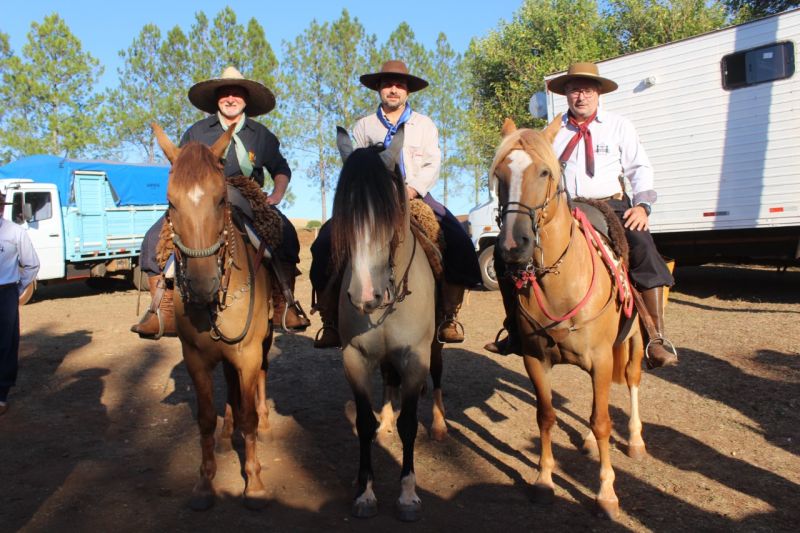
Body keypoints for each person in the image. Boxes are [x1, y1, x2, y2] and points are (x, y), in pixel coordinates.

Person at [485, 62, 678, 369]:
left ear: (598, 93)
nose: (581, 96)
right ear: (566, 95)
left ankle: (655, 336)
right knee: (504, 252)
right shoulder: (551, 133)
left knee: (642, 245)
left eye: (587, 90)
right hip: (565, 208)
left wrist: (642, 205)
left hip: (610, 205)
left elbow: (639, 168)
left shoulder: (619, 126)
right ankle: (515, 331)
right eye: (575, 90)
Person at [310, 60, 481, 348]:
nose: (393, 89)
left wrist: (412, 189)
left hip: (415, 196)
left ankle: (448, 316)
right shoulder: (364, 126)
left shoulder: (424, 125)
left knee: (459, 240)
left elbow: (433, 162)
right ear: (378, 89)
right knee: (324, 243)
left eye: (399, 85)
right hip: (371, 202)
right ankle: (329, 320)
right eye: (387, 84)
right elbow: (354, 166)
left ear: (407, 91)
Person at [131, 66, 310, 338]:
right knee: (153, 238)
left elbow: (281, 169)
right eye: (225, 93)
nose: (230, 98)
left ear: (246, 99)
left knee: (284, 232)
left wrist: (276, 195)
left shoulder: (261, 135)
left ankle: (282, 303)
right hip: (201, 199)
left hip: (246, 193)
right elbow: (180, 167)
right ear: (216, 99)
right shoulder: (197, 131)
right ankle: (163, 309)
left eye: (236, 93)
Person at [0, 192, 40, 415]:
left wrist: (17, 288)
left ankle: (1, 396)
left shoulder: (15, 232)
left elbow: (32, 264)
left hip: (5, 291)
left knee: (6, 342)